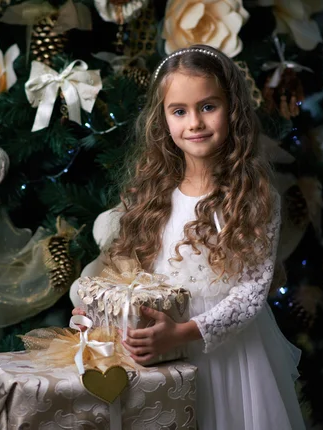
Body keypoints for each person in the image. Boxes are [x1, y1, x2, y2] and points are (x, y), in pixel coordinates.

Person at [71, 44, 305, 430]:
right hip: (162, 355)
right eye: (179, 111)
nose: (194, 122)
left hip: (232, 358)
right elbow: (130, 276)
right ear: (163, 120)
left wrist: (181, 333)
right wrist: (101, 314)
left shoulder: (256, 199)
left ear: (233, 109)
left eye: (208, 107)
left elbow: (250, 293)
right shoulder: (152, 196)